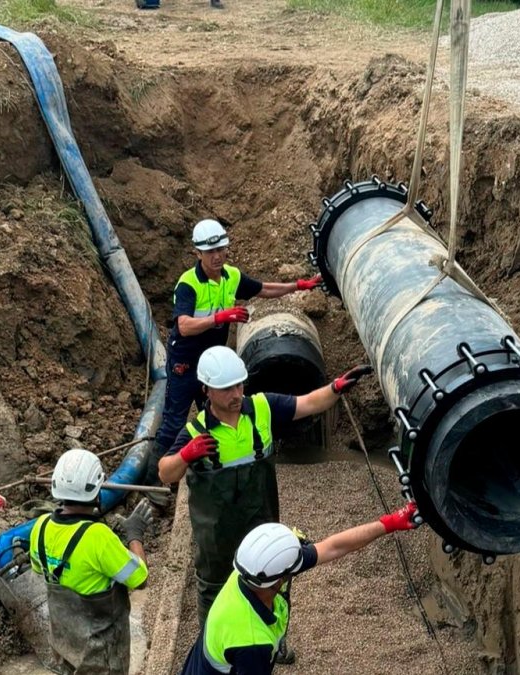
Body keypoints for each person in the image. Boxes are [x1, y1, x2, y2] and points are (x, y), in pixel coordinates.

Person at [156, 346, 372, 627]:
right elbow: (165, 474)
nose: (236, 394)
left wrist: (336, 387)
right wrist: (185, 455)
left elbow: (306, 403)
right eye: (226, 389)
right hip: (216, 538)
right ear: (206, 389)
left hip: (261, 523)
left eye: (239, 385)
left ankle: (272, 638)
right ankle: (211, 650)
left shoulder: (262, 408)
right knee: (214, 587)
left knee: (272, 577)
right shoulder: (195, 431)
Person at [145, 218, 321, 492]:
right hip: (186, 363)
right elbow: (184, 326)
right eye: (210, 252)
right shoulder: (189, 284)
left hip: (214, 366)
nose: (216, 256)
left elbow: (263, 289)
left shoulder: (231, 276)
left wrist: (297, 286)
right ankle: (155, 483)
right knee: (174, 421)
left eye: (220, 250)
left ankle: (213, 470)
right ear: (198, 253)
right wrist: (220, 317)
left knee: (214, 415)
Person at [179, 502, 421, 675]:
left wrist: (389, 523)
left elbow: (333, 547)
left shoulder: (248, 572)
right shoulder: (252, 644)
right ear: (279, 579)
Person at [29, 449, 154, 675]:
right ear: (97, 488)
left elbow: (39, 568)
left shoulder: (40, 527)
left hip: (64, 645)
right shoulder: (98, 537)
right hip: (102, 656)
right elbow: (141, 579)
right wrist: (135, 535)